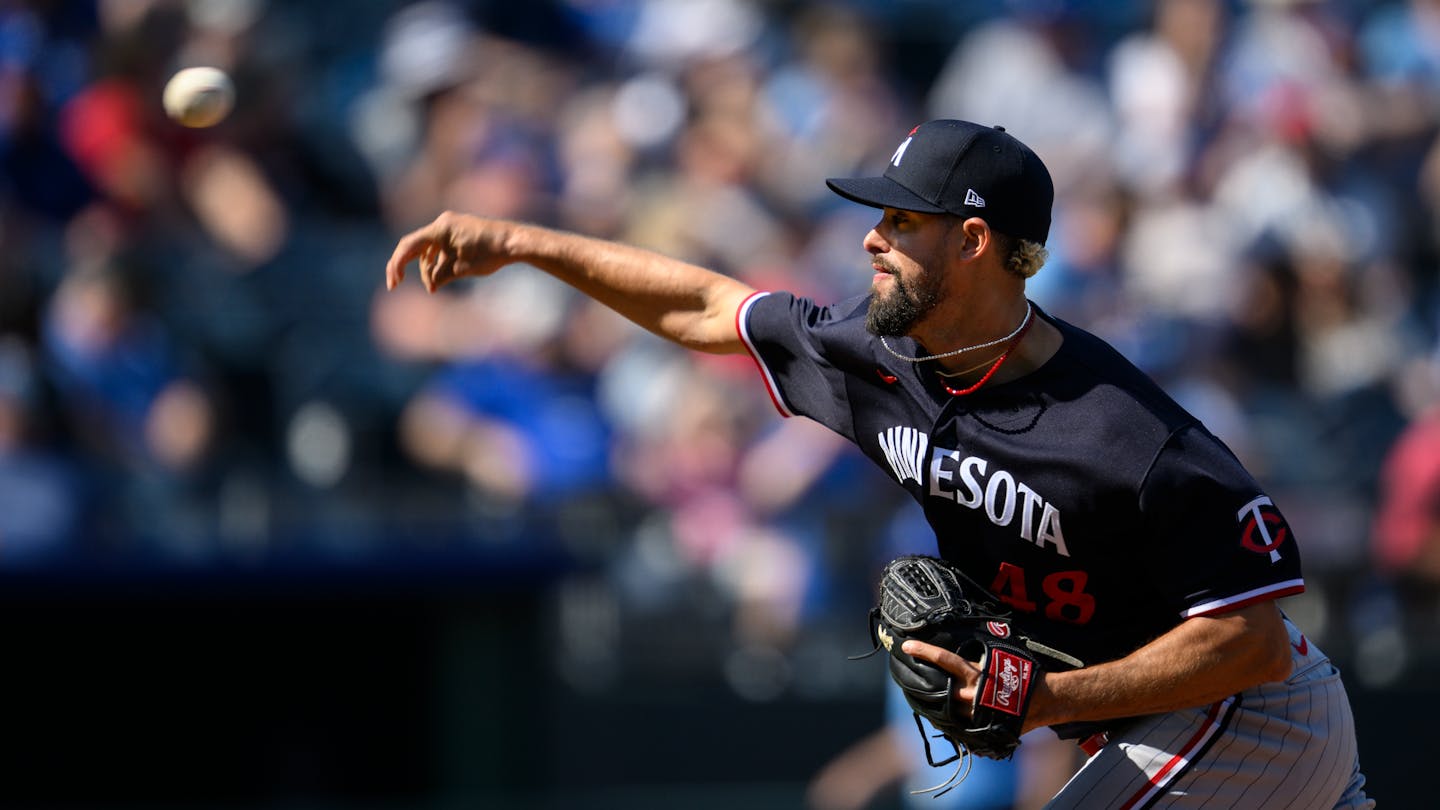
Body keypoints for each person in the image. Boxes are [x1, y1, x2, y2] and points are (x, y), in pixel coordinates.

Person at [385, 119, 1372, 807]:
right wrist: (520, 243)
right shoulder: (878, 351)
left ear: (975, 242)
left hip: (1249, 715)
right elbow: (705, 307)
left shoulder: (1129, 434)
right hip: (1168, 727)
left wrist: (1050, 701)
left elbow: (1250, 639)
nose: (871, 235)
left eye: (902, 222)